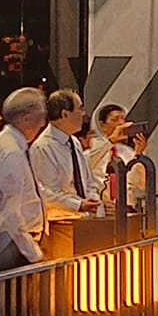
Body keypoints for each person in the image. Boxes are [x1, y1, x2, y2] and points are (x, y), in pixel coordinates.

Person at [0, 87, 48, 272]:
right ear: (26, 118)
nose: (43, 124)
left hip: (16, 238)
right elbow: (9, 211)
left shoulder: (11, 143)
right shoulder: (11, 151)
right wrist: (32, 252)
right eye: (41, 118)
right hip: (11, 241)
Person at [31, 89, 102, 219]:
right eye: (80, 109)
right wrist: (78, 205)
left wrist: (94, 201)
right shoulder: (43, 147)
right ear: (65, 114)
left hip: (85, 218)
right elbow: (47, 193)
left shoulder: (74, 142)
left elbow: (88, 182)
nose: (83, 114)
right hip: (61, 220)